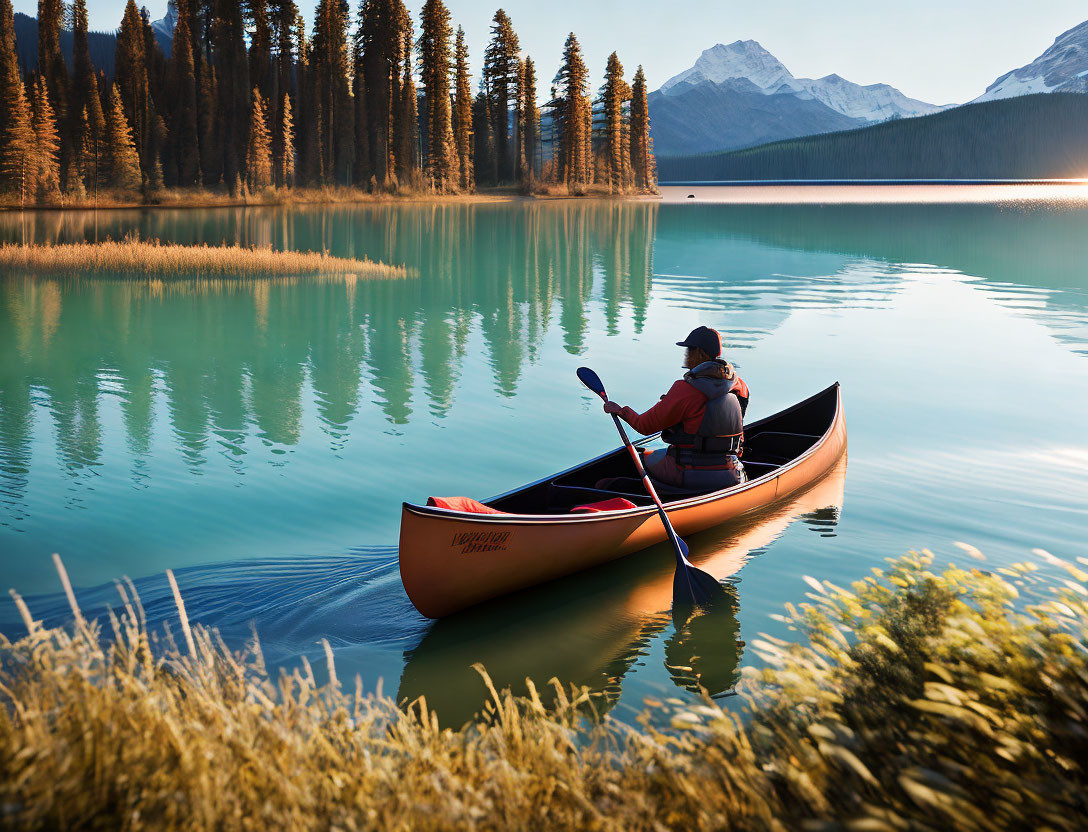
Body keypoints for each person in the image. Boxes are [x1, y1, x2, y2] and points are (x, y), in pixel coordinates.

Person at [600, 326, 749, 492]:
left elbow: (644, 426)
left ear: (699, 353)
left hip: (686, 472)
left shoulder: (686, 389)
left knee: (635, 459)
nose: (686, 354)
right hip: (732, 473)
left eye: (689, 349)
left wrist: (620, 411)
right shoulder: (739, 386)